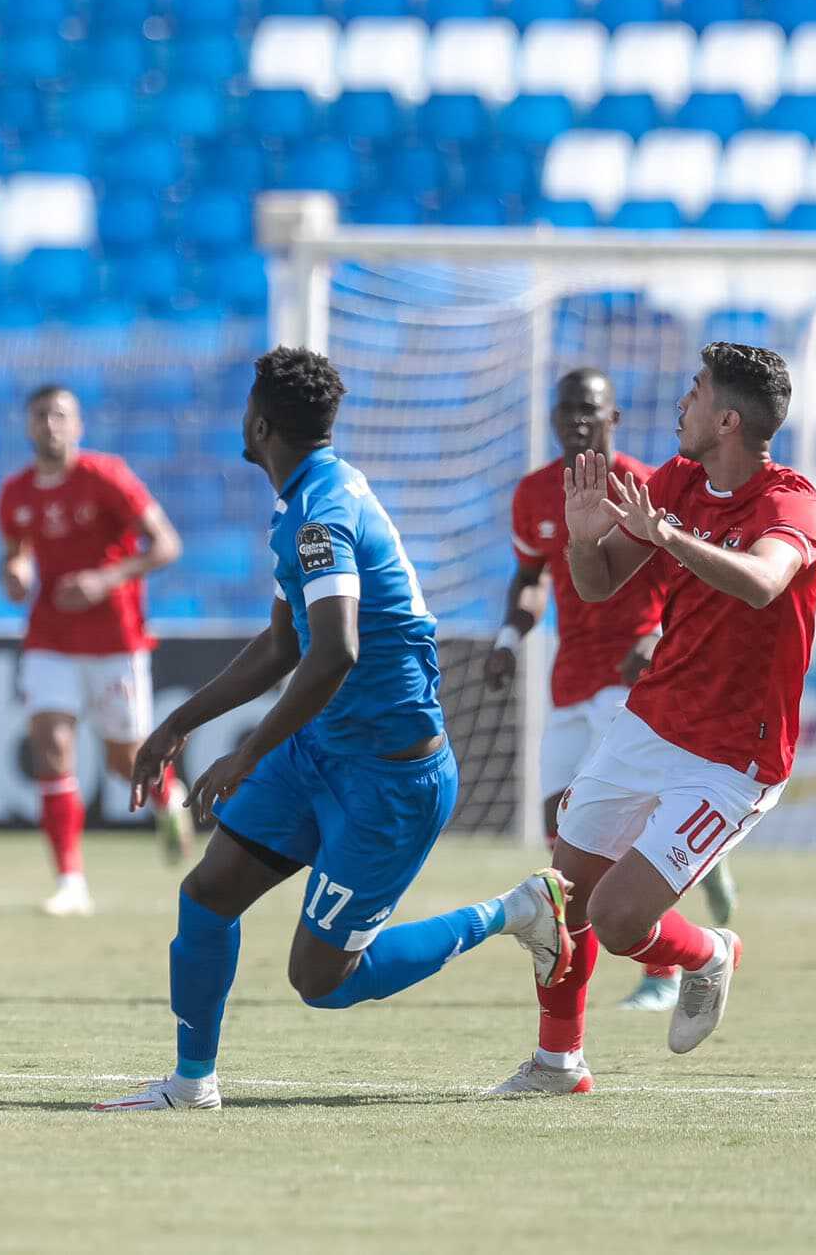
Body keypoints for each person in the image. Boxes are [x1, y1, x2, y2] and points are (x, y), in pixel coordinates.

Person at [93, 349, 572, 1112]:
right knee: (207, 893)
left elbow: (338, 648)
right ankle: (191, 1084)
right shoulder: (304, 501)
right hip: (323, 751)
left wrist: (248, 753)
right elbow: (286, 645)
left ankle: (515, 911)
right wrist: (178, 726)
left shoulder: (320, 512)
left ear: (259, 423)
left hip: (389, 778)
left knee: (320, 981)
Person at [490, 342, 816, 1097]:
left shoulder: (791, 501)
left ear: (728, 419)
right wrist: (582, 536)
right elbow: (600, 582)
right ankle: (558, 1064)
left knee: (615, 919)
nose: (681, 403)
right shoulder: (677, 479)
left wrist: (674, 535)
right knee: (560, 896)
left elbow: (766, 583)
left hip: (735, 757)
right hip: (649, 722)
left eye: (697, 392)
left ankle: (708, 953)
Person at [486, 368, 736, 1013]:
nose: (576, 420)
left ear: (614, 418)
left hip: (637, 684)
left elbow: (690, 576)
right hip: (570, 679)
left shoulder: (650, 485)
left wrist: (658, 638)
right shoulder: (534, 492)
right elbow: (530, 577)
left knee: (618, 843)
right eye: (565, 408)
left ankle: (664, 971)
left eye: (590, 410)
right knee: (558, 835)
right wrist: (509, 638)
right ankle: (629, 959)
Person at [0, 384, 189, 916]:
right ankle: (71, 882)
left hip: (115, 638)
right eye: (41, 416)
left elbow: (167, 544)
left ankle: (167, 797)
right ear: (28, 425)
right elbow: (17, 556)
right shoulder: (15, 493)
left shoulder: (106, 476)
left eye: (61, 416)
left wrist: (106, 580)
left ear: (78, 426)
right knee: (50, 745)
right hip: (50, 637)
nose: (50, 425)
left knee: (123, 760)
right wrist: (15, 573)